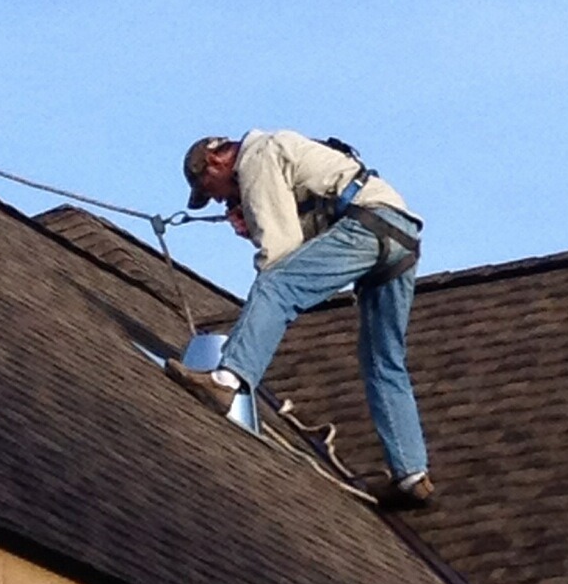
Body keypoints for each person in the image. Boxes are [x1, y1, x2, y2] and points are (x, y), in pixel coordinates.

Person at [167, 129, 433, 508]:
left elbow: (280, 251)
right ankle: (412, 475)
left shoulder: (256, 156)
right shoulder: (280, 152)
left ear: (215, 161)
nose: (219, 200)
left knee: (274, 286)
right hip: (399, 235)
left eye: (212, 190)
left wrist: (261, 239)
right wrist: (255, 221)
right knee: (383, 361)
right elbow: (314, 234)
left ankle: (227, 380)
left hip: (367, 226)